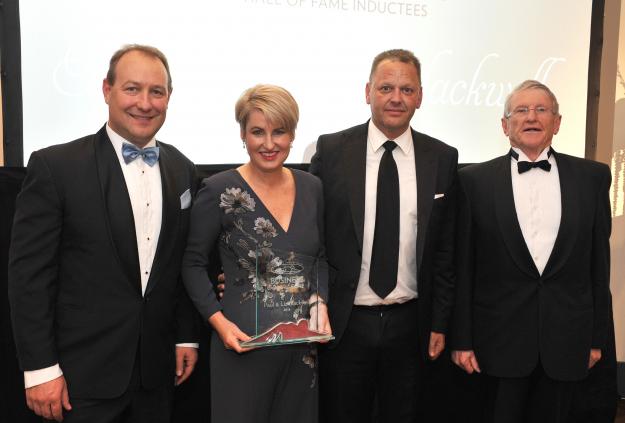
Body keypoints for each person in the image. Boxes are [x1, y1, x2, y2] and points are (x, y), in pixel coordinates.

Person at [8, 44, 199, 423]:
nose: (145, 103)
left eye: (156, 92)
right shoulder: (56, 167)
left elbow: (179, 263)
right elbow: (30, 278)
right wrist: (40, 369)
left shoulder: (183, 168)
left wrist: (185, 336)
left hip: (156, 374)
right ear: (106, 90)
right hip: (78, 378)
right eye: (132, 89)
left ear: (169, 97)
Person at [309, 48, 458, 423]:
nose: (396, 98)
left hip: (411, 324)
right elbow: (314, 238)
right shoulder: (331, 150)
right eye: (386, 88)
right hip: (344, 323)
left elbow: (444, 251)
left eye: (407, 90)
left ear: (420, 97)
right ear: (367, 92)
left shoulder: (442, 157)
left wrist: (440, 322)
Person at [451, 80, 612, 422]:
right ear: (505, 125)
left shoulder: (593, 178)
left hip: (568, 339)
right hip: (497, 341)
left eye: (541, 109)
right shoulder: (472, 181)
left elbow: (599, 266)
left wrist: (598, 338)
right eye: (521, 110)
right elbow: (464, 267)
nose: (531, 117)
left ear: (557, 122)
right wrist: (461, 339)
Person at [182, 84, 332, 423]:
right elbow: (192, 263)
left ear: (293, 134)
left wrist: (319, 303)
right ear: (242, 134)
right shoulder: (218, 190)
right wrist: (219, 323)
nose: (269, 144)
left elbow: (319, 258)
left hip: (301, 349)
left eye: (279, 132)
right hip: (241, 345)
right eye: (257, 132)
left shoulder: (312, 187)